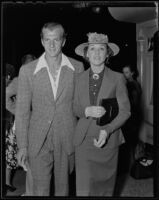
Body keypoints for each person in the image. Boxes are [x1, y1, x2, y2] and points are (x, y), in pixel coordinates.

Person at [15, 22, 84, 196]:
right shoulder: (27, 71)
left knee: (63, 190)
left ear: (64, 41)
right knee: (40, 190)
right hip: (38, 140)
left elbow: (81, 107)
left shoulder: (77, 67)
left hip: (67, 137)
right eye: (47, 40)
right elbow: (22, 112)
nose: (52, 44)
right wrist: (22, 146)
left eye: (56, 39)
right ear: (42, 41)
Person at [73, 32, 131, 196]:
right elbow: (73, 107)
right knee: (83, 189)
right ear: (87, 53)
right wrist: (85, 111)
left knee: (104, 189)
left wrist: (108, 130)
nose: (97, 53)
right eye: (92, 49)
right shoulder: (78, 78)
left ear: (107, 54)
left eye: (101, 49)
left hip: (107, 139)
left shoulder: (118, 78)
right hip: (83, 140)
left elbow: (125, 111)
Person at [121, 65, 143, 171]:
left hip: (132, 117)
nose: (124, 74)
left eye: (126, 72)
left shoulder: (131, 85)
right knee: (132, 141)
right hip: (135, 116)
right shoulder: (135, 84)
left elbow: (133, 103)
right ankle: (133, 164)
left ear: (132, 73)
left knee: (129, 141)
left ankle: (131, 166)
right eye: (123, 72)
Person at [5, 63, 18, 194]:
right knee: (8, 155)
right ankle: (6, 182)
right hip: (9, 126)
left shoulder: (11, 87)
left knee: (9, 156)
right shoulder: (11, 87)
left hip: (9, 125)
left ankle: (7, 182)